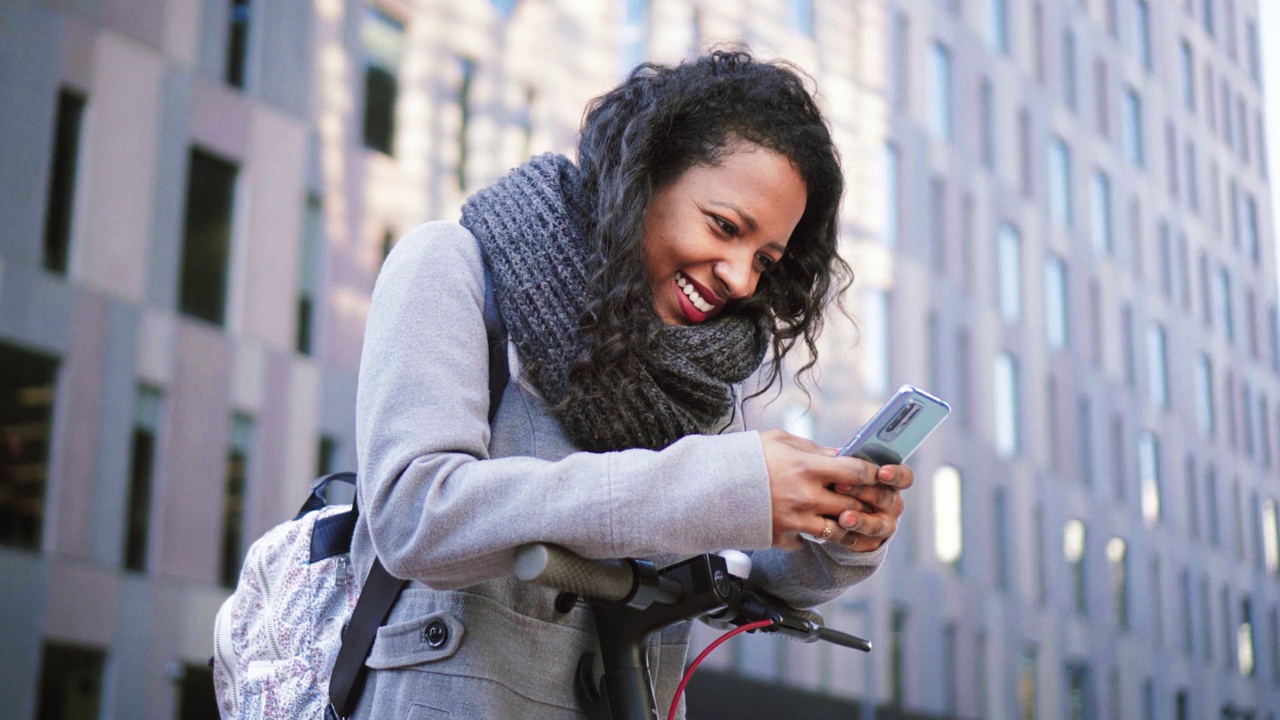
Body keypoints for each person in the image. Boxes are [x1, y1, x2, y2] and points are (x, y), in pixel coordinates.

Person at [349, 50, 913, 718]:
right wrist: (720, 483)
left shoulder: (692, 371)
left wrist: (837, 530)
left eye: (765, 259)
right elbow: (416, 515)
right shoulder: (451, 265)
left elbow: (723, 570)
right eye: (725, 227)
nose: (740, 278)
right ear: (643, 177)